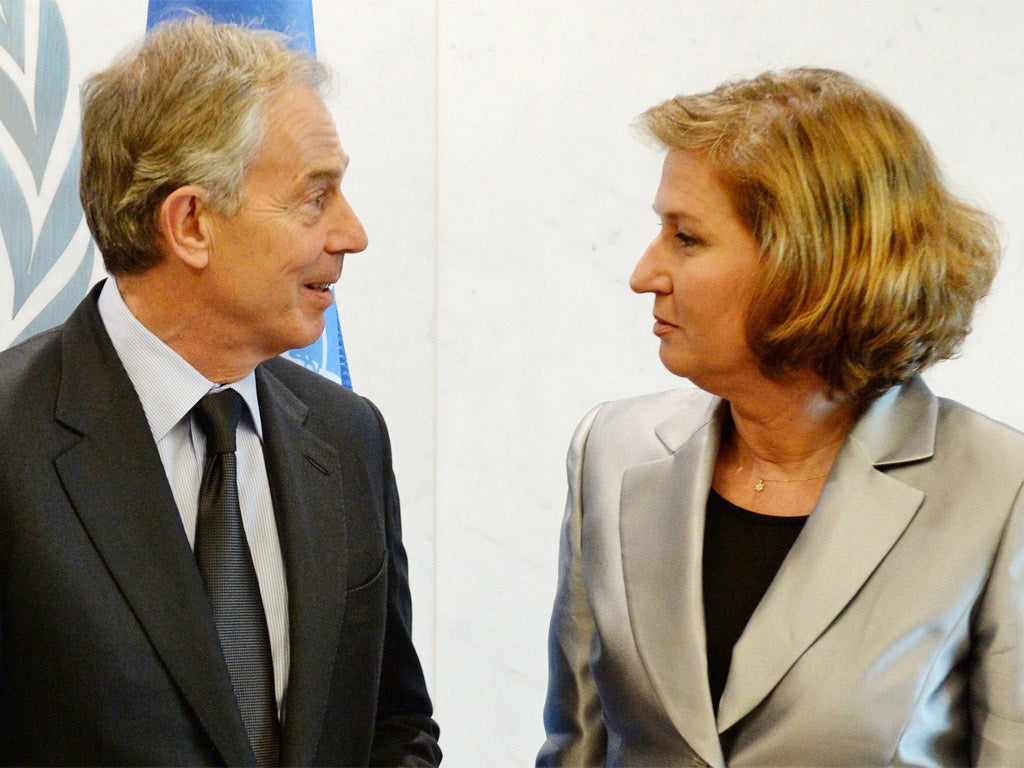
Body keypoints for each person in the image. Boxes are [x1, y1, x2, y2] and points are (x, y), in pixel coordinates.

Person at [537, 68, 1024, 767]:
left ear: (809, 263)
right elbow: (575, 747)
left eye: (686, 238)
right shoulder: (611, 452)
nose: (644, 273)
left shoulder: (1001, 488)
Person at [0, 17, 440, 767]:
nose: (353, 234)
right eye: (315, 198)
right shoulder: (12, 438)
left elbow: (392, 728)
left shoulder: (348, 435)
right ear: (192, 223)